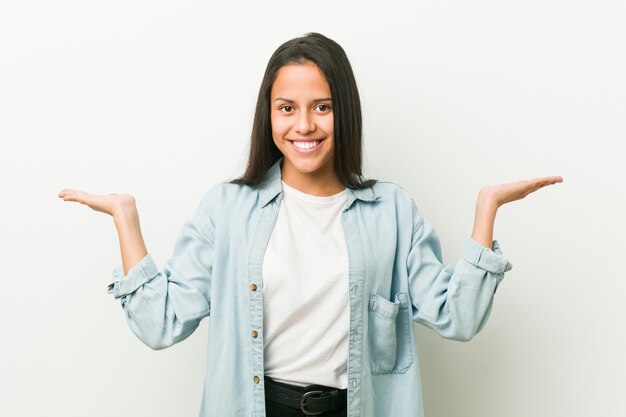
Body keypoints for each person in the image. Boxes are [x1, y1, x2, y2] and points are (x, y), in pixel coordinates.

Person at [58, 32, 563, 417]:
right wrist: (127, 220)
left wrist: (485, 211)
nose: (304, 125)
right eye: (287, 109)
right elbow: (159, 324)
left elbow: (459, 317)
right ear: (269, 116)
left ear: (344, 111)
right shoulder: (226, 210)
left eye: (322, 107)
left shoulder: (392, 210)